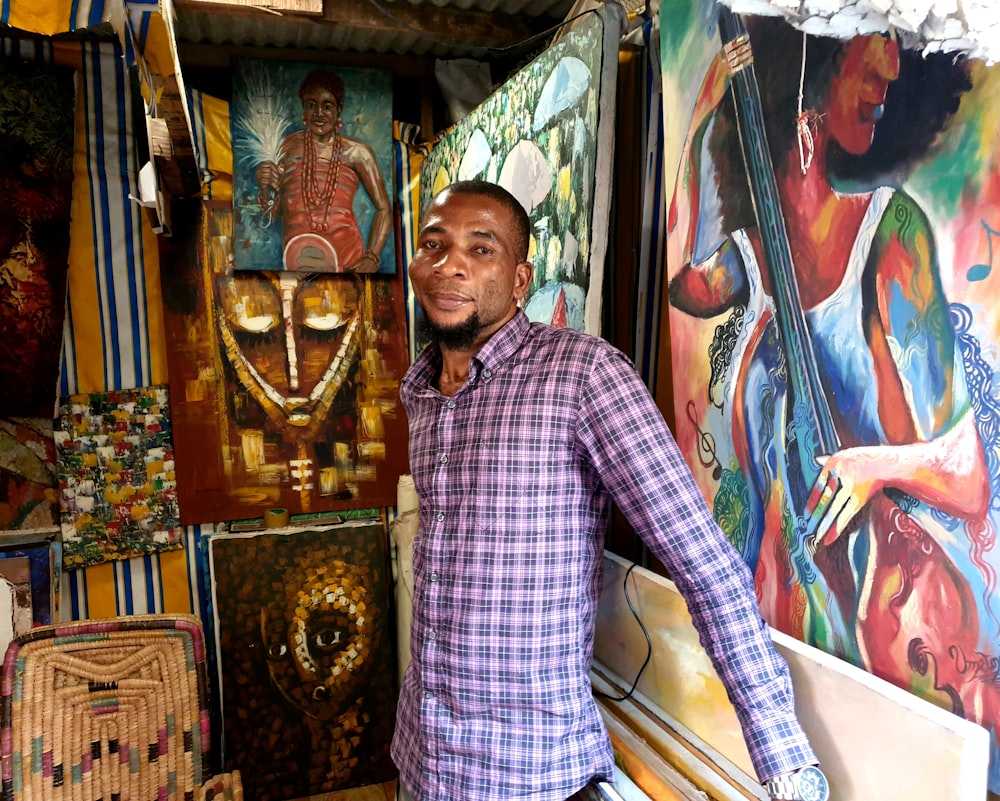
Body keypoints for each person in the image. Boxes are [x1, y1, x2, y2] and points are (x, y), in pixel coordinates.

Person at [391, 179, 825, 800]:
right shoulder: (422, 391)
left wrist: (783, 758)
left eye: (480, 248)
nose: (450, 263)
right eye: (433, 244)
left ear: (520, 279)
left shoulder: (584, 376)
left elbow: (703, 563)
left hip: (527, 776)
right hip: (420, 757)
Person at [667, 17, 995, 739]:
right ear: (802, 96)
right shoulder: (747, 261)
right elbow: (679, 283)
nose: (888, 67)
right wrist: (710, 105)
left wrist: (869, 467)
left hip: (901, 623)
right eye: (858, 49)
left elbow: (969, 470)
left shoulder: (891, 233)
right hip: (796, 635)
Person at [254, 69, 391, 273]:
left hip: (349, 261)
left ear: (338, 111)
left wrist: (372, 257)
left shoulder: (358, 153)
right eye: (311, 105)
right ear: (304, 111)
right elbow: (273, 214)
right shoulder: (286, 147)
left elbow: (384, 209)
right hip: (298, 260)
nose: (319, 114)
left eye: (327, 106)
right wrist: (266, 188)